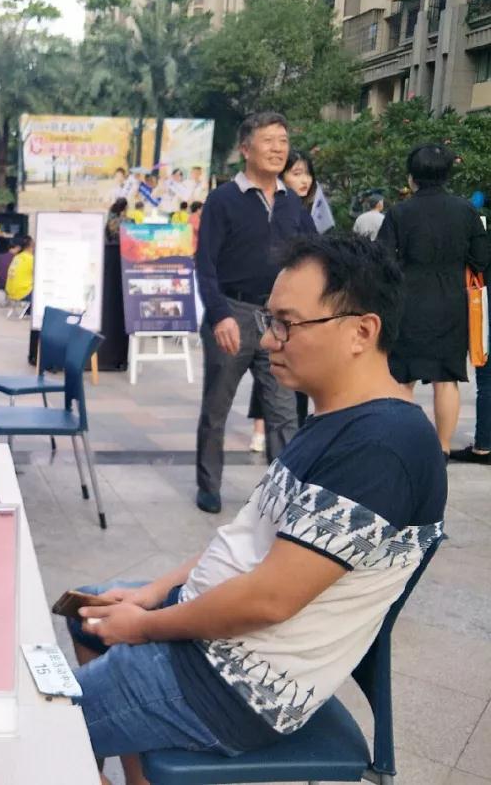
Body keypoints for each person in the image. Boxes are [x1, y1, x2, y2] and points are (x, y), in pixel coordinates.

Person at [66, 232, 446, 785]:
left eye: (287, 324)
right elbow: (248, 536)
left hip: (235, 687)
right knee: (89, 613)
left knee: (37, 724)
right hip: (213, 639)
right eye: (270, 320)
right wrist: (151, 593)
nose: (268, 340)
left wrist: (146, 627)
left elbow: (270, 600)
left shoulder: (381, 447)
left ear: (362, 331)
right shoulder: (335, 418)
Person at [194, 112, 316, 514]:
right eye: (269, 141)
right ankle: (209, 486)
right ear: (246, 149)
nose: (278, 149)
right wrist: (219, 315)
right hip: (233, 312)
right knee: (217, 408)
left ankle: (285, 495)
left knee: (284, 412)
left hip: (278, 320)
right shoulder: (223, 200)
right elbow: (205, 263)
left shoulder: (292, 203)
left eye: (283, 141)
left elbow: (312, 256)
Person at [377, 143, 491, 455]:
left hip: (408, 302)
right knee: (446, 378)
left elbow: (382, 260)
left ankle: (400, 444)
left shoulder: (399, 212)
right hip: (451, 303)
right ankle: (442, 448)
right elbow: (481, 258)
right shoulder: (466, 211)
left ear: (411, 176)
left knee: (402, 377)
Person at [247, 148, 321, 450]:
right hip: (276, 306)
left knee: (286, 373)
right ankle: (273, 434)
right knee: (278, 370)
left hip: (297, 306)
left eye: (308, 173)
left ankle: (274, 433)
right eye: (297, 173)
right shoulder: (276, 213)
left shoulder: (303, 212)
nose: (305, 180)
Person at [5, 235, 34, 303]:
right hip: (23, 294)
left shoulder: (17, 257)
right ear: (30, 246)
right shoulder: (30, 259)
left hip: (11, 293)